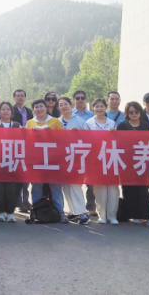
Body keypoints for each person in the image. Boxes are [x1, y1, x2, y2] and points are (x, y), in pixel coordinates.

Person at [115, 101, 149, 229]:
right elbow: (118, 143)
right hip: (127, 162)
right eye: (131, 112)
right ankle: (135, 215)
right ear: (127, 113)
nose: (134, 114)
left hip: (142, 161)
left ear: (140, 112)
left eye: (136, 111)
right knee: (128, 189)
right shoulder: (122, 126)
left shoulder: (146, 126)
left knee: (143, 189)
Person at [25, 99, 67, 223]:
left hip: (53, 159)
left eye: (41, 106)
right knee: (36, 187)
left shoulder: (55, 121)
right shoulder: (30, 123)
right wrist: (32, 134)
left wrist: (51, 134)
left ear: (46, 108)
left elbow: (63, 138)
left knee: (55, 187)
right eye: (36, 107)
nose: (39, 109)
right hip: (37, 160)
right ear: (33, 110)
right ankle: (37, 212)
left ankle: (60, 212)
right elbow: (26, 141)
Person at [57, 96, 91, 225]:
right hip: (62, 157)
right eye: (61, 105)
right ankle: (73, 211)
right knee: (66, 185)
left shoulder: (79, 120)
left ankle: (83, 212)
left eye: (65, 104)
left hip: (76, 156)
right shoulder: (57, 122)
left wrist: (78, 133)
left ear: (71, 105)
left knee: (75, 184)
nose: (63, 106)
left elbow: (88, 137)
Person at [86, 98, 119, 225]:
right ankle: (102, 215)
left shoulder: (112, 123)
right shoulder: (88, 123)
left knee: (113, 187)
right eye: (97, 106)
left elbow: (117, 140)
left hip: (111, 157)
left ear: (105, 108)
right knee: (99, 187)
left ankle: (112, 215)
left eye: (101, 106)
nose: (99, 108)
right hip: (96, 158)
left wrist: (115, 134)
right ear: (93, 108)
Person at [0, 102, 23, 222]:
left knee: (13, 187)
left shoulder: (17, 125)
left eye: (8, 109)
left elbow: (23, 141)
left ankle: (10, 212)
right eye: (3, 109)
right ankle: (0, 212)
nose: (5, 111)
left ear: (11, 112)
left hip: (14, 161)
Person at [71, 90, 96, 215]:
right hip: (73, 150)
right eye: (77, 98)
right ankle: (77, 208)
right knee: (75, 181)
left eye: (82, 97)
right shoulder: (69, 114)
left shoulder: (91, 114)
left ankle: (91, 206)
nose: (80, 100)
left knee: (90, 181)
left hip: (88, 150)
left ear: (85, 100)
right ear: (74, 100)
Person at [13, 89, 33, 213]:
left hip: (28, 145)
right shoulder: (11, 111)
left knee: (26, 174)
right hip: (15, 145)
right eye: (18, 96)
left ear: (25, 98)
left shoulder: (30, 111)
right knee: (17, 174)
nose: (20, 98)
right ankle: (18, 201)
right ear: (14, 98)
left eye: (22, 96)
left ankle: (25, 200)